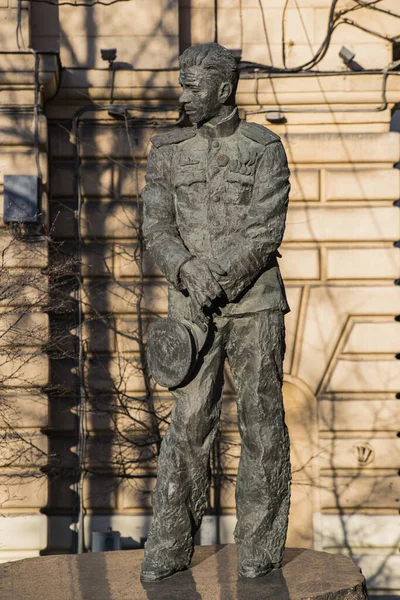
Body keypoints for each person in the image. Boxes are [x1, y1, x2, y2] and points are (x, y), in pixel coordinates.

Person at [141, 42, 291, 582]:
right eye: (182, 83)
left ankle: (259, 546)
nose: (183, 94)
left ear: (223, 90)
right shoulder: (167, 149)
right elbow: (155, 226)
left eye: (192, 85)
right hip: (190, 308)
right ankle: (170, 545)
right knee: (187, 424)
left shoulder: (264, 147)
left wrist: (217, 279)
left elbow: (264, 229)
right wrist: (186, 270)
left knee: (262, 422)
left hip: (254, 303)